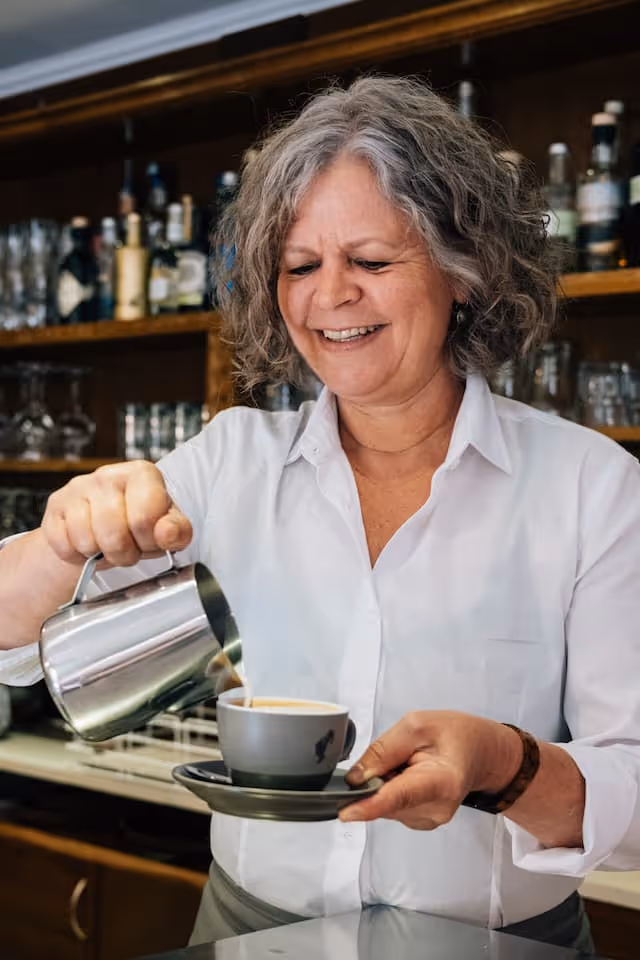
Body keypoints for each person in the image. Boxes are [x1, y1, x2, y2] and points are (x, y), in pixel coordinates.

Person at [1, 76, 640, 953]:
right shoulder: (230, 462)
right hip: (248, 930)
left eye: (371, 262)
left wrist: (504, 765)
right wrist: (61, 539)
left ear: (464, 272)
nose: (330, 296)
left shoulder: (590, 487)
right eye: (300, 267)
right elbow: (17, 634)